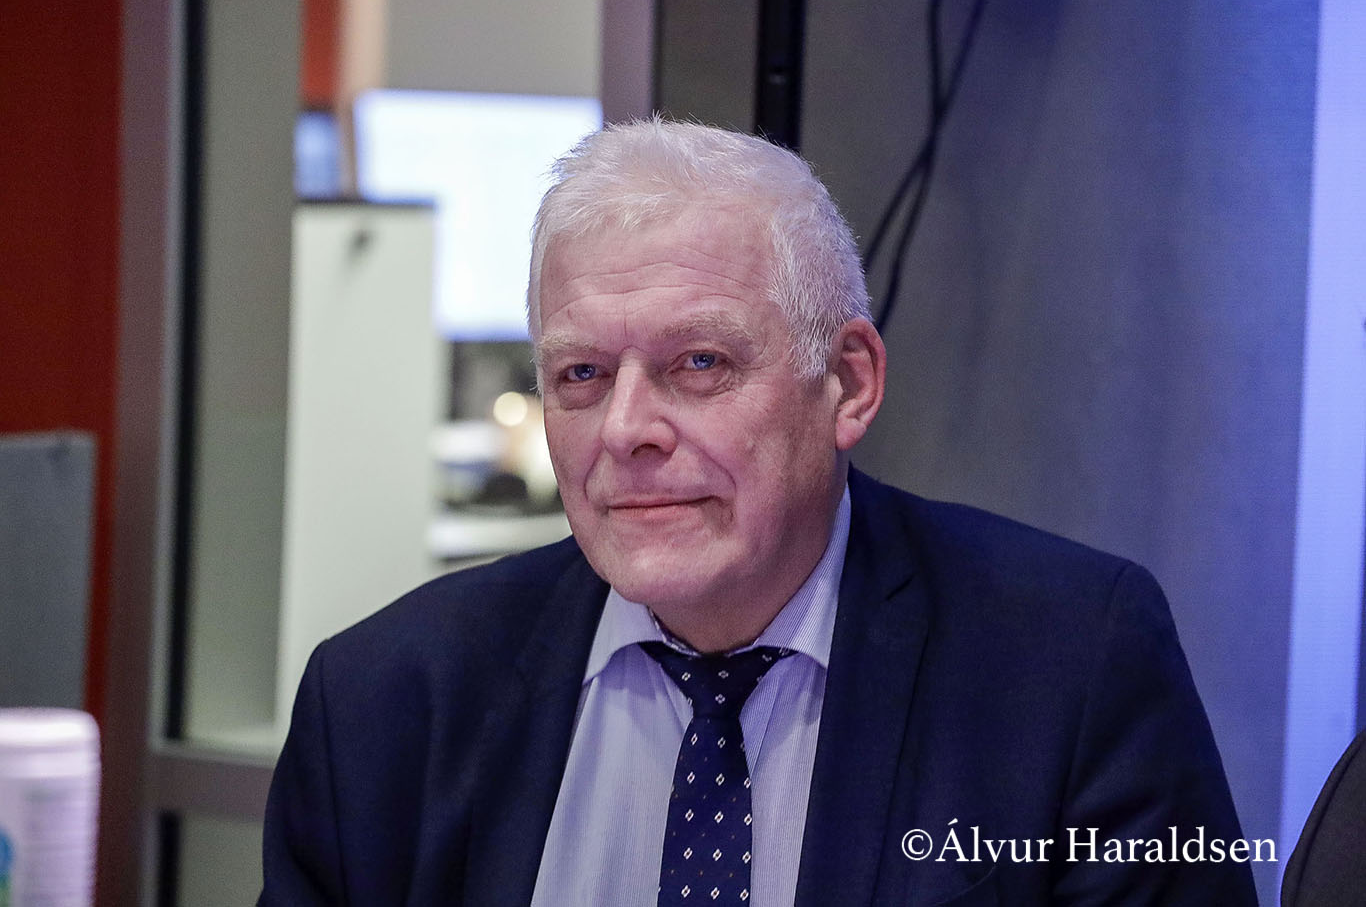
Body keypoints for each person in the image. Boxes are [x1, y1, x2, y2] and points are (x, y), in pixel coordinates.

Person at [260, 119, 1257, 905]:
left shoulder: (1068, 666)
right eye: (582, 374)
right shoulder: (386, 702)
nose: (626, 429)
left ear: (849, 382)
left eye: (699, 362)